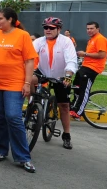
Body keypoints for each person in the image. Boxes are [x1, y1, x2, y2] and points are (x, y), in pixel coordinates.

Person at [0, 8, 38, 173]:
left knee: (13, 116)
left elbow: (29, 61)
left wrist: (27, 83)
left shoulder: (22, 35)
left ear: (10, 19)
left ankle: (23, 157)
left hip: (14, 82)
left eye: (0, 19)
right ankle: (0, 149)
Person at [32, 17, 78, 149]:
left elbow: (71, 60)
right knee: (27, 81)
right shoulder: (39, 41)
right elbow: (29, 55)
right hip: (42, 71)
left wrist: (68, 76)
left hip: (61, 75)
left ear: (59, 29)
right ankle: (33, 106)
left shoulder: (66, 42)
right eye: (45, 27)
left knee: (64, 105)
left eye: (51, 28)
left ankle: (66, 135)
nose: (47, 30)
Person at [70, 22, 107, 119]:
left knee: (84, 90)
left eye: (92, 28)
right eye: (87, 28)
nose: (89, 30)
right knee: (76, 87)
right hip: (85, 66)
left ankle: (78, 112)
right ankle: (74, 106)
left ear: (98, 29)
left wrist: (85, 54)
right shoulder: (92, 39)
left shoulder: (100, 39)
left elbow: (102, 55)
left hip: (93, 68)